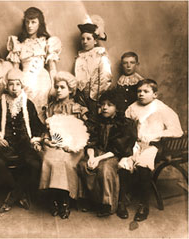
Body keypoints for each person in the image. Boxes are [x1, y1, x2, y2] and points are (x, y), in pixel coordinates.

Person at [118, 79, 183, 221]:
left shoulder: (161, 108)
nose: (141, 94)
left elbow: (177, 130)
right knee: (124, 164)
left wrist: (157, 135)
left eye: (146, 91)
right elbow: (125, 127)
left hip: (153, 145)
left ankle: (143, 204)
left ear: (155, 94)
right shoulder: (132, 107)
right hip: (135, 144)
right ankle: (122, 201)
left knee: (143, 165)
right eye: (139, 91)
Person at [0, 68, 45, 213]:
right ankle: (20, 193)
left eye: (17, 84)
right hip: (6, 142)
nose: (14, 88)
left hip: (25, 143)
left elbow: (37, 125)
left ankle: (12, 196)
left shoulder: (28, 104)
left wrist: (35, 141)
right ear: (6, 86)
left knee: (35, 163)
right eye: (11, 84)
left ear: (22, 85)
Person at [78, 90, 137, 217]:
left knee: (105, 168)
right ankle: (91, 200)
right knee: (84, 165)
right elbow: (90, 141)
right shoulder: (95, 121)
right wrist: (92, 157)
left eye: (109, 105)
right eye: (103, 104)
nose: (104, 107)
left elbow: (119, 148)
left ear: (117, 107)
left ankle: (107, 204)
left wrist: (99, 159)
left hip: (115, 154)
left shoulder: (125, 123)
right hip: (97, 152)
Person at [39, 71, 89, 219]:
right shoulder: (49, 108)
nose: (58, 90)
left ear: (70, 90)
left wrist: (72, 144)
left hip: (73, 146)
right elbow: (45, 131)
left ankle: (65, 200)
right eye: (57, 87)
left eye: (62, 87)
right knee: (49, 159)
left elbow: (84, 131)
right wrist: (46, 140)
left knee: (65, 161)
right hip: (54, 144)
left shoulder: (78, 108)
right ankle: (53, 199)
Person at [6, 7, 62, 121]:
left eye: (33, 22)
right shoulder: (19, 44)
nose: (30, 25)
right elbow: (15, 71)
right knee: (26, 110)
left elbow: (52, 68)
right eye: (27, 22)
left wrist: (54, 86)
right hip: (25, 79)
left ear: (39, 24)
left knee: (42, 110)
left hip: (42, 80)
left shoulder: (46, 42)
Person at [74, 15, 112, 115]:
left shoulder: (100, 57)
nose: (85, 41)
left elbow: (105, 78)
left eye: (88, 39)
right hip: (81, 97)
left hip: (95, 98)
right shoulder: (79, 58)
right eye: (83, 39)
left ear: (95, 41)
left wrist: (98, 98)